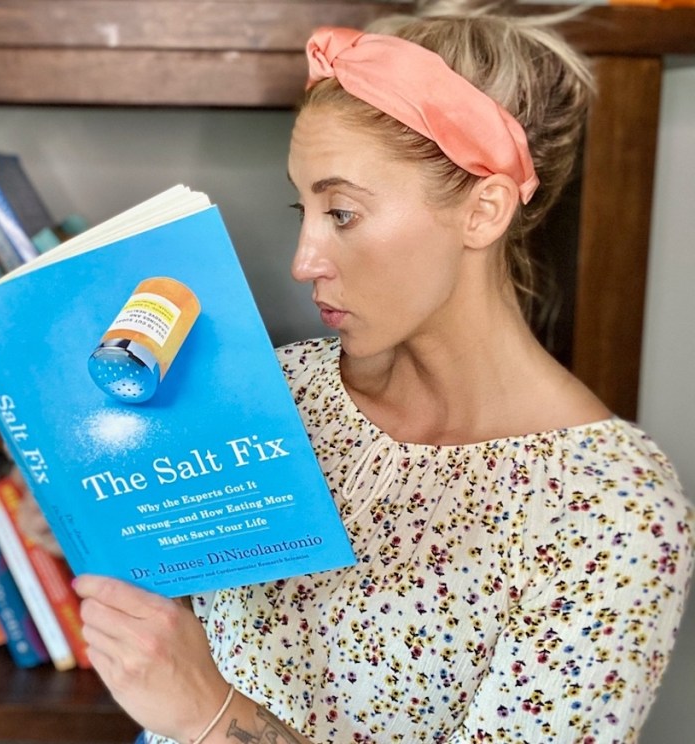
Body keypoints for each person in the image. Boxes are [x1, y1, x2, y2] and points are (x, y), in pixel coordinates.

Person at [65, 2, 695, 742]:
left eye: (343, 213)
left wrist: (211, 715)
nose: (303, 262)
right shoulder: (278, 393)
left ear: (484, 210)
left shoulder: (610, 511)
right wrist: (100, 524)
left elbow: (199, 697)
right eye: (303, 208)